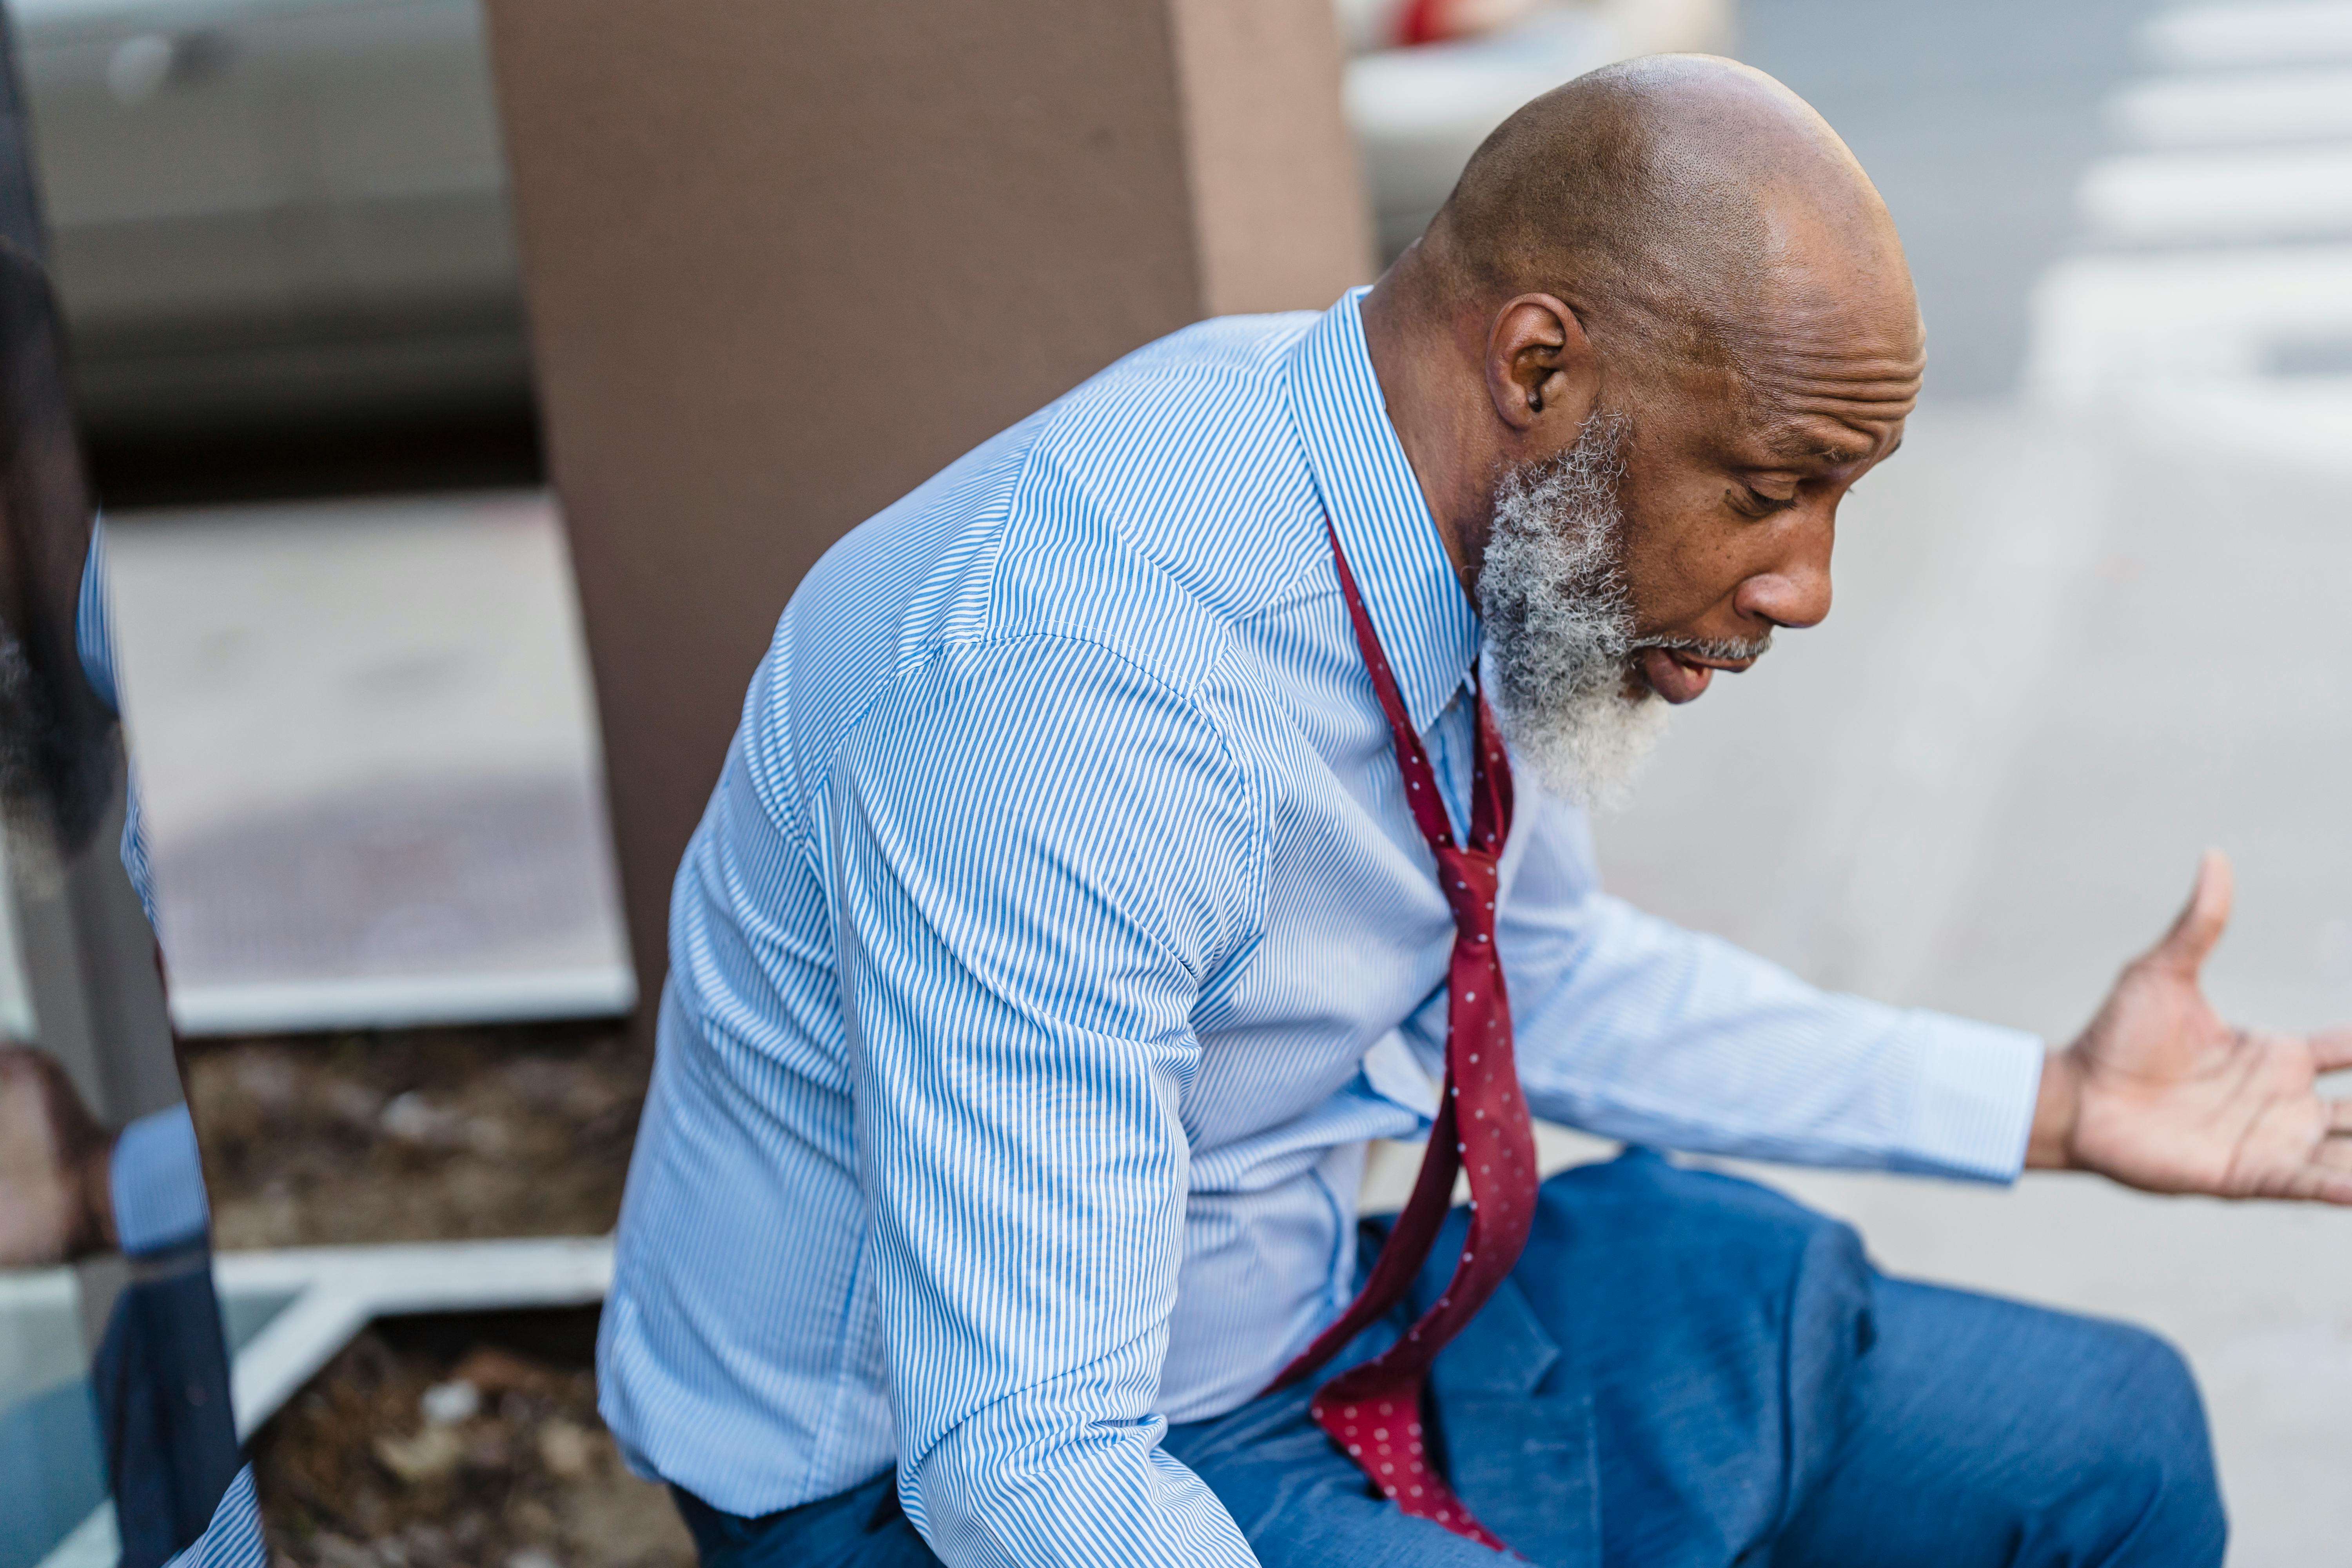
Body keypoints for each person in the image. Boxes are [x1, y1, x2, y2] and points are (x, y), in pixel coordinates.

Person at [597, 57, 2349, 1568]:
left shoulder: (1463, 514)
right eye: (1772, 489)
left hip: (1312, 1316)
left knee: (2108, 1443)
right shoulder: (1079, 705)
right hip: (938, 1483)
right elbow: (1029, 1465)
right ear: (1539, 370)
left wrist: (2052, 1100)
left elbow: (1540, 983)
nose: (1809, 587)